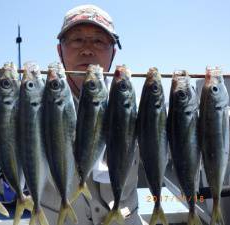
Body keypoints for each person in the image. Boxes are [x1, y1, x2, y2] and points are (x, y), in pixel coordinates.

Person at [40, 4, 144, 225]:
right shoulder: (34, 104)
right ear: (60, 50)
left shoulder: (134, 105)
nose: (87, 49)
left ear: (113, 52)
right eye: (77, 39)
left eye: (99, 41)